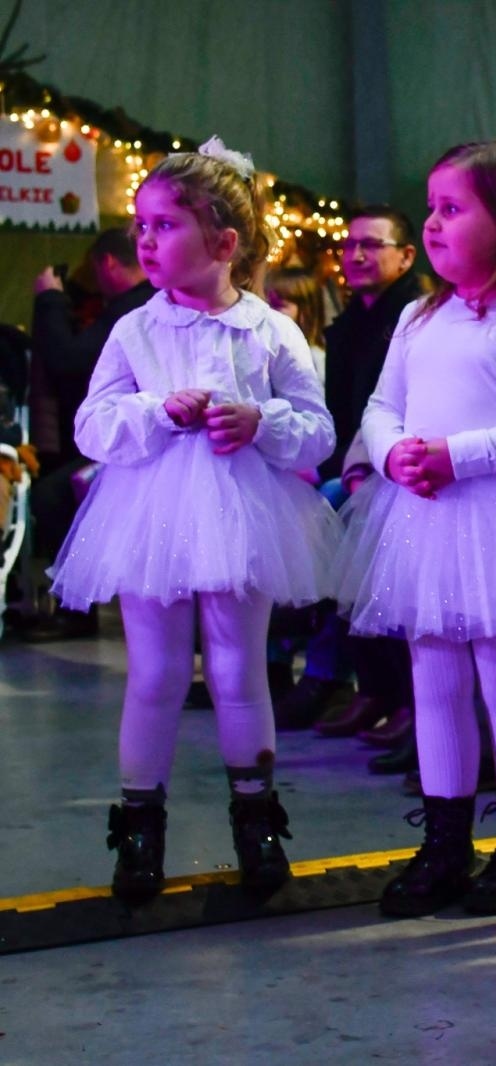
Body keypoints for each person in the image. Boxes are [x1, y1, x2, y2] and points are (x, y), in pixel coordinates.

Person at [49, 138, 340, 902]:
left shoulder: (271, 330)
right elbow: (91, 425)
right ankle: (139, 830)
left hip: (243, 515)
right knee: (156, 672)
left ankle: (258, 822)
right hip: (152, 516)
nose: (145, 240)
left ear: (224, 243)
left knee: (241, 670)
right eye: (141, 226)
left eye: (165, 226)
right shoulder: (134, 330)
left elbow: (318, 430)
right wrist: (154, 409)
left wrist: (261, 422)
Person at [334, 140, 496, 918]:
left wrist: (459, 455)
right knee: (434, 682)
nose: (434, 225)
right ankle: (445, 843)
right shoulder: (418, 315)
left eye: (453, 209)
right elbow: (382, 405)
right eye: (433, 208)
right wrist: (392, 453)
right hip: (429, 520)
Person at [276, 206, 426, 745]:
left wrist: (364, 469)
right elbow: (341, 414)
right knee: (309, 511)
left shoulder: (412, 315)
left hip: (401, 465)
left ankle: (391, 691)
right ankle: (365, 684)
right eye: (351, 245)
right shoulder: (348, 328)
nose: (356, 255)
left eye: (372, 245)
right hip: (358, 462)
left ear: (406, 255)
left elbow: (402, 407)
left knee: (335, 520)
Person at [19, 228, 155, 642]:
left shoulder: (131, 309)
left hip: (138, 442)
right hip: (136, 433)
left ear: (108, 264)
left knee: (57, 494)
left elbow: (69, 358)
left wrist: (50, 299)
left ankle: (75, 609)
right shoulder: (139, 306)